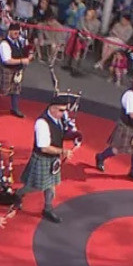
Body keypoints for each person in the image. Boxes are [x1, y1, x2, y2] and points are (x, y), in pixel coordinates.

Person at [19, 95, 77, 223]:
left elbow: (61, 133)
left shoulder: (59, 118)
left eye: (65, 110)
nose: (64, 113)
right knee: (35, 186)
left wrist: (74, 135)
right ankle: (18, 194)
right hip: (42, 158)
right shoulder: (42, 123)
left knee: (51, 185)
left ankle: (48, 208)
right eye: (61, 110)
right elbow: (44, 147)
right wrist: (63, 151)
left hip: (53, 158)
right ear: (52, 108)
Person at [0, 22, 32, 117]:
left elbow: (28, 48)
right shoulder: (4, 44)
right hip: (7, 70)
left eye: (18, 32)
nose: (17, 34)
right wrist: (22, 60)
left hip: (18, 70)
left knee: (16, 90)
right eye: (15, 32)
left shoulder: (20, 40)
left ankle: (15, 108)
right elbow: (7, 61)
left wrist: (30, 54)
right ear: (9, 31)